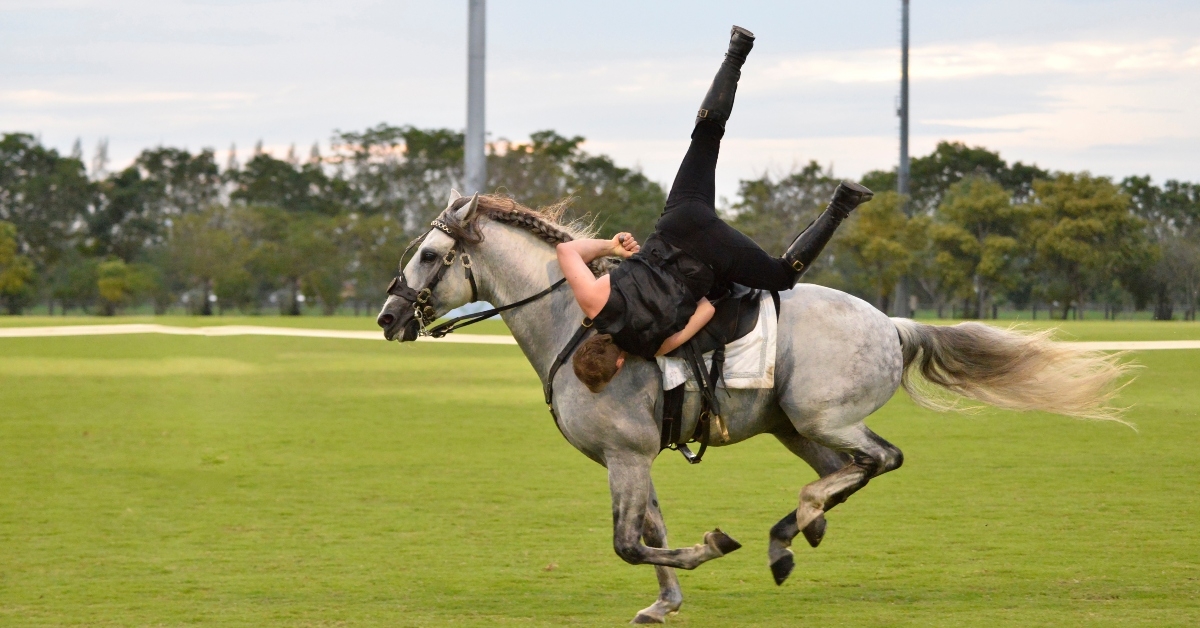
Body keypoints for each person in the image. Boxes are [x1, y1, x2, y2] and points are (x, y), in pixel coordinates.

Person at [557, 26, 875, 393]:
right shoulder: (593, 301)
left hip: (712, 256)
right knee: (706, 135)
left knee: (783, 276)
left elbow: (706, 309)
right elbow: (567, 249)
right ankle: (736, 52)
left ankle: (842, 204)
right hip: (679, 221)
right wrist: (611, 247)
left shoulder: (654, 347)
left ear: (618, 364)